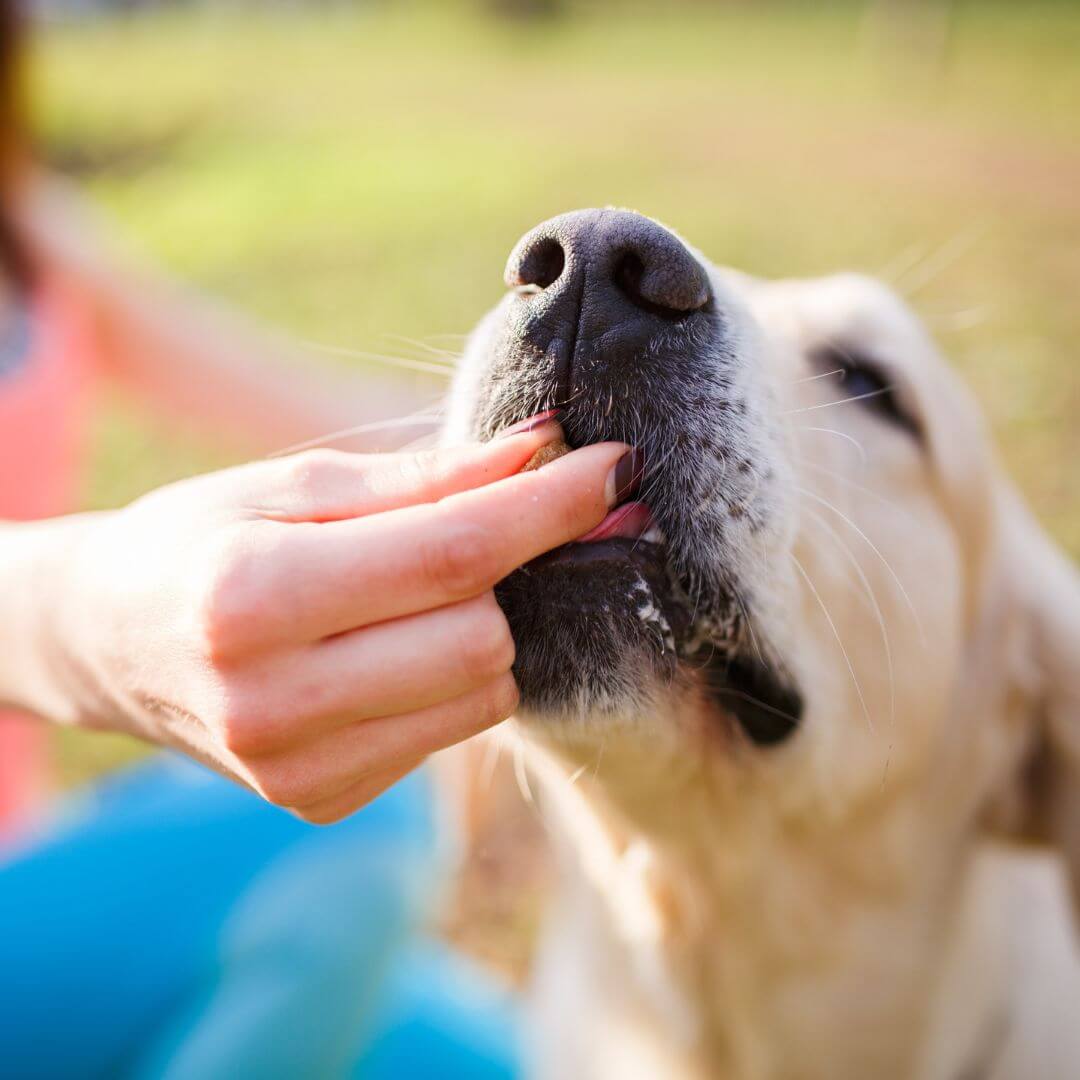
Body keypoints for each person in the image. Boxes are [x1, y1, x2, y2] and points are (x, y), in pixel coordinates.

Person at [0, 3, 637, 1075]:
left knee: (499, 1062)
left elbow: (295, 399)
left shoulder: (31, 234)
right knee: (362, 839)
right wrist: (75, 620)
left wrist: (535, 427)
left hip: (43, 881)